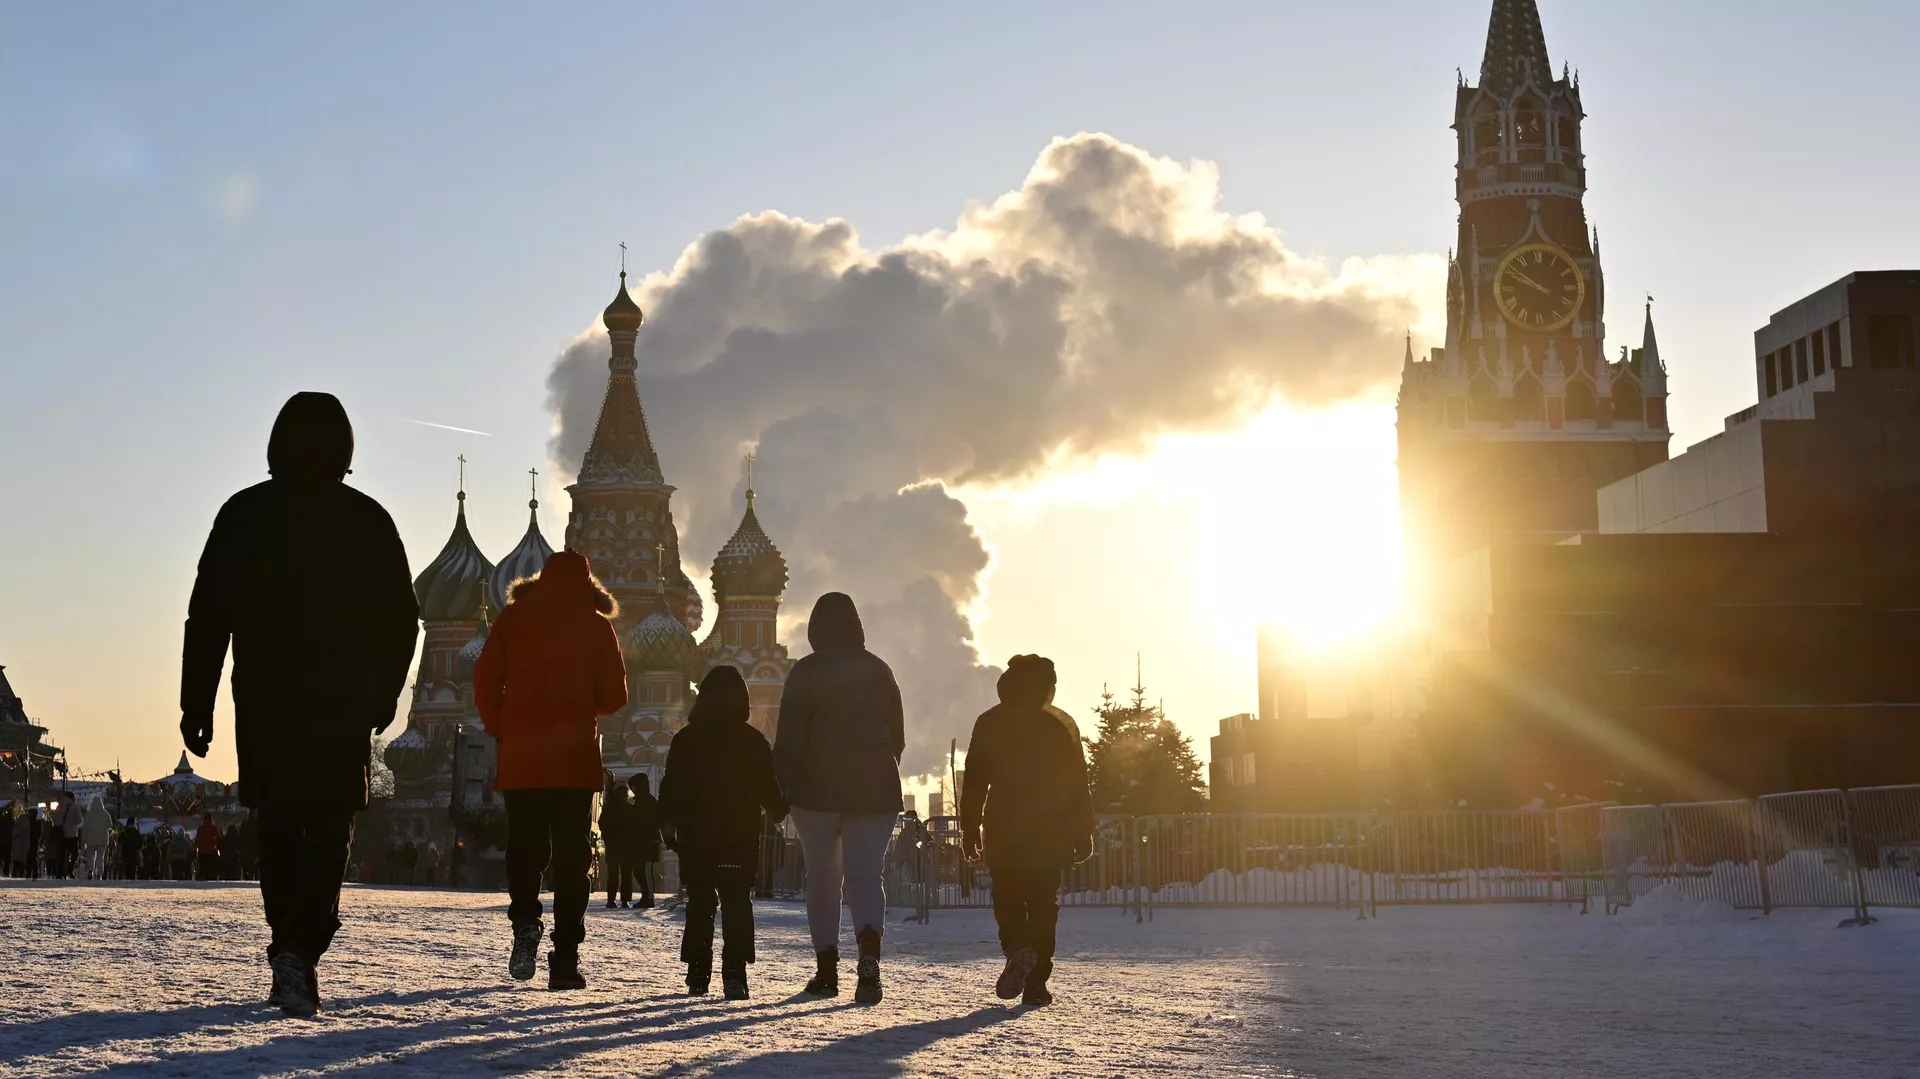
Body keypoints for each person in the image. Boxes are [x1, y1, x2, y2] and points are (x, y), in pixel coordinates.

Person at [178, 391, 420, 1017]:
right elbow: (403, 621)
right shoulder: (368, 520)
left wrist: (195, 702)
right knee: (330, 822)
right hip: (342, 703)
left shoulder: (245, 514)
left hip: (267, 699)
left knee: (280, 825)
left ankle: (290, 942)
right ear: (345, 449)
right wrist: (385, 694)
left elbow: (208, 616)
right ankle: (302, 946)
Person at [473, 549, 628, 991]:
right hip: (574, 759)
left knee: (524, 847)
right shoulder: (598, 625)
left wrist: (502, 725)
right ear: (587, 583)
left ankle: (525, 919)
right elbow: (616, 695)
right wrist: (583, 709)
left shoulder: (513, 619)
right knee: (572, 859)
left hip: (522, 757)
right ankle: (565, 959)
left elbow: (484, 679)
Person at [772, 592, 905, 1003]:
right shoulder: (880, 669)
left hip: (816, 790)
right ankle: (869, 957)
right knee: (866, 876)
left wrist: (782, 786)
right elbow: (897, 737)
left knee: (824, 879)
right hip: (875, 788)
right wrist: (876, 768)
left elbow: (789, 737)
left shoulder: (806, 671)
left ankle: (826, 970)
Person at [960, 655, 1095, 1007]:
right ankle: (1037, 983)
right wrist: (1083, 830)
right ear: (1047, 686)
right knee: (1043, 906)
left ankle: (1018, 948)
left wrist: (969, 827)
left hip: (1004, 827)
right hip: (1050, 829)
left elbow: (975, 780)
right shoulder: (1061, 722)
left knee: (1007, 899)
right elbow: (1077, 782)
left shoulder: (990, 721)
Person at [661, 665, 790, 999]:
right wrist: (779, 810)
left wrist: (668, 824)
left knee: (701, 901)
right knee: (736, 902)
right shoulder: (752, 740)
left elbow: (671, 786)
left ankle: (698, 972)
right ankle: (735, 973)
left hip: (697, 836)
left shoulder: (686, 739)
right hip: (739, 836)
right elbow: (768, 786)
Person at [627, 773, 661, 908]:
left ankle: (649, 898)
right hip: (640, 843)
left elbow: (651, 822)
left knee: (646, 871)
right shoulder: (640, 801)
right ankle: (645, 896)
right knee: (639, 870)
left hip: (648, 843)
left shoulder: (648, 802)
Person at [598, 781, 632, 908]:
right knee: (613, 874)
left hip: (626, 847)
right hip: (613, 846)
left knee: (626, 874)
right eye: (619, 792)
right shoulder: (608, 808)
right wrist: (608, 837)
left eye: (624, 792)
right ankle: (611, 899)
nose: (622, 794)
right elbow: (602, 825)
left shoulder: (629, 808)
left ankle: (625, 900)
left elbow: (635, 827)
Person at [82, 797, 112, 880]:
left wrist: (83, 839)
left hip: (90, 839)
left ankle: (90, 872)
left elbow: (85, 827)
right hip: (102, 839)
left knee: (90, 856)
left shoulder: (89, 814)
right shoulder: (105, 814)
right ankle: (99, 874)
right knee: (100, 857)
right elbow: (110, 826)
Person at [195, 815, 224, 881]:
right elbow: (218, 838)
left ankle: (203, 876)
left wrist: (196, 846)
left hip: (202, 851)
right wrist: (214, 843)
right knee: (210, 865)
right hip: (211, 851)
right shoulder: (214, 828)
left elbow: (197, 839)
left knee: (203, 865)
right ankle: (210, 877)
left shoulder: (200, 828)